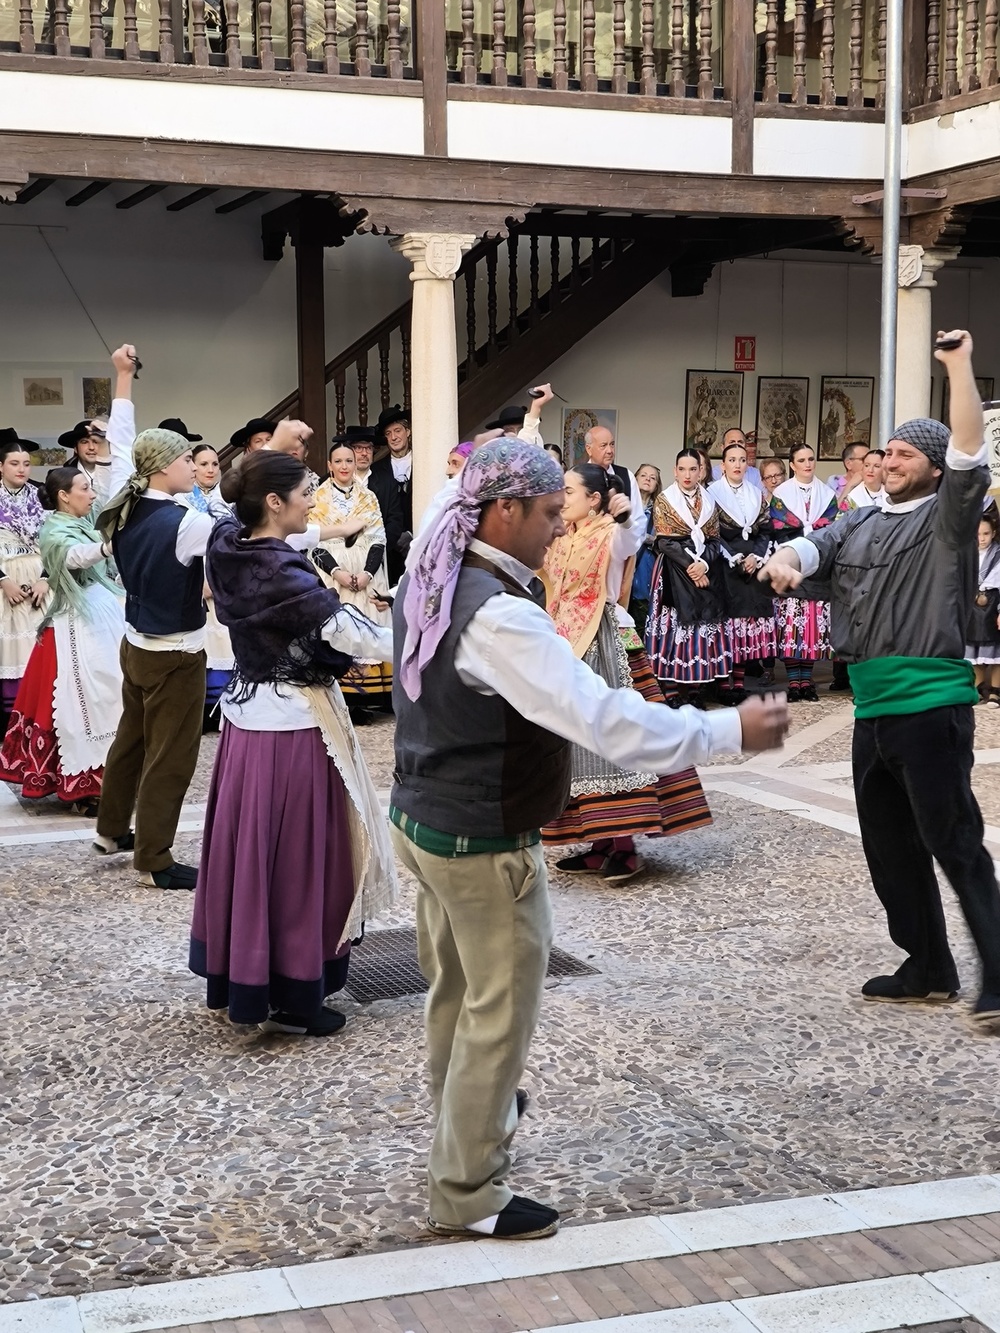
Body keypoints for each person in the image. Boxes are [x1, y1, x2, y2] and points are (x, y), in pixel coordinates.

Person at [390, 437, 789, 1241]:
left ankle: (466, 1117)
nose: (558, 528)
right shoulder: (496, 612)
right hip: (479, 838)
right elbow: (605, 720)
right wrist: (727, 727)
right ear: (501, 512)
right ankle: (467, 1189)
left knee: (457, 998)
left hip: (425, 818)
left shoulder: (431, 569)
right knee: (496, 1014)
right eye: (545, 513)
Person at [760, 329, 1000, 1022]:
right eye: (884, 452)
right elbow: (814, 545)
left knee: (953, 842)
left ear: (930, 468)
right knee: (891, 851)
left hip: (930, 706)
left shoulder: (947, 519)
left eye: (904, 453)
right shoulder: (857, 522)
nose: (888, 460)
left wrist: (958, 367)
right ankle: (927, 965)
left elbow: (967, 451)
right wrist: (787, 561)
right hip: (872, 710)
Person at [191, 450, 396, 1037]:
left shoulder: (229, 544)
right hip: (292, 725)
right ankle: (292, 993)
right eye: (305, 492)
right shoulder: (283, 571)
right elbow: (349, 634)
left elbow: (249, 519)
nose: (314, 500)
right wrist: (428, 630)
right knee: (301, 857)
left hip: (249, 717)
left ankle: (258, 977)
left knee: (258, 853)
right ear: (274, 503)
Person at [541, 463, 711, 884]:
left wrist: (627, 515)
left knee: (612, 743)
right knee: (577, 747)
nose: (563, 498)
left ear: (594, 500)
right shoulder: (565, 534)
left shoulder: (608, 533)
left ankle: (624, 847)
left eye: (570, 491)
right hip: (566, 644)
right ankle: (599, 844)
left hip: (605, 644)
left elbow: (631, 538)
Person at [309, 440, 392, 715]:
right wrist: (338, 573)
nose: (345, 466)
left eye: (349, 461)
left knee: (367, 625)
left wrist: (368, 573)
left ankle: (370, 697)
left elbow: (379, 538)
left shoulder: (368, 497)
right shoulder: (318, 497)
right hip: (333, 575)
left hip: (366, 573)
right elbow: (314, 543)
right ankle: (344, 697)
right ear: (329, 466)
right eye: (339, 461)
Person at [645, 448, 731, 706]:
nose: (687, 474)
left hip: (705, 567)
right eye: (682, 469)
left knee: (700, 625)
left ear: (701, 471)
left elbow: (715, 539)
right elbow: (664, 542)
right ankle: (671, 690)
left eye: (693, 469)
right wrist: (691, 565)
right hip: (674, 568)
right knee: (673, 626)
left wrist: (704, 563)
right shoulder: (665, 500)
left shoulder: (710, 501)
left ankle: (694, 690)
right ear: (675, 471)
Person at [708, 439, 777, 704]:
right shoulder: (712, 493)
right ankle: (723, 686)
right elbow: (711, 532)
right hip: (725, 566)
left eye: (742, 460)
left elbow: (766, 529)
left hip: (751, 566)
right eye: (732, 460)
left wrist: (757, 556)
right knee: (726, 627)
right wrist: (735, 557)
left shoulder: (755, 492)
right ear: (722, 465)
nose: (738, 464)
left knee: (743, 630)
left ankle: (738, 683)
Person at [769, 444, 837, 702]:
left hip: (818, 566)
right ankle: (793, 681)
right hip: (790, 561)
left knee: (809, 628)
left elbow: (830, 529)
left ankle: (806, 681)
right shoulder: (781, 493)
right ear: (793, 465)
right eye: (801, 460)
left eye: (811, 459)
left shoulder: (827, 494)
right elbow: (777, 526)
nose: (808, 464)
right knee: (790, 627)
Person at [177, 444, 233, 725]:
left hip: (224, 574)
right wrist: (200, 580)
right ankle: (200, 711)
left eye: (214, 464)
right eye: (203, 464)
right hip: (195, 575)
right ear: (193, 467)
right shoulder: (183, 500)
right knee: (204, 641)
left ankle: (226, 707)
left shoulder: (229, 499)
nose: (210, 469)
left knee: (226, 640)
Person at [0, 437, 50, 722]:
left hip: (38, 576)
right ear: (1, 466)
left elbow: (54, 543)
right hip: (5, 576)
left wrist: (45, 579)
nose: (21, 469)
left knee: (38, 643)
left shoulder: (42, 496)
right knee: (9, 647)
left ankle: (38, 715)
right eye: (14, 463)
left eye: (26, 464)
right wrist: (4, 581)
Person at [581, 425, 646, 560]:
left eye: (612, 444)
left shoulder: (626, 476)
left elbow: (639, 519)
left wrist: (628, 547)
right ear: (589, 449)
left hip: (619, 556)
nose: (610, 450)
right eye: (603, 446)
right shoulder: (577, 476)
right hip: (584, 556)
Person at [370, 405, 413, 584]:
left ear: (408, 431)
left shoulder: (426, 463)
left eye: (398, 431)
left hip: (420, 542)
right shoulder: (376, 470)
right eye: (388, 433)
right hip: (389, 547)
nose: (394, 437)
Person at [966, 512, 1000, 706]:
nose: (981, 538)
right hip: (973, 602)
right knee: (974, 647)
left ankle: (995, 691)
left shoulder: (998, 554)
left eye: (986, 533)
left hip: (993, 602)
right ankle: (980, 688)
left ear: (993, 533)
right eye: (978, 534)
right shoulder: (967, 553)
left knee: (995, 649)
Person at [628, 462, 661, 639]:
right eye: (643, 475)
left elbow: (663, 540)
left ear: (657, 485)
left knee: (641, 625)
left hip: (645, 572)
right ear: (635, 478)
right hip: (624, 571)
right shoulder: (624, 506)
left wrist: (650, 539)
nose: (648, 479)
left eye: (652, 477)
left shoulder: (660, 510)